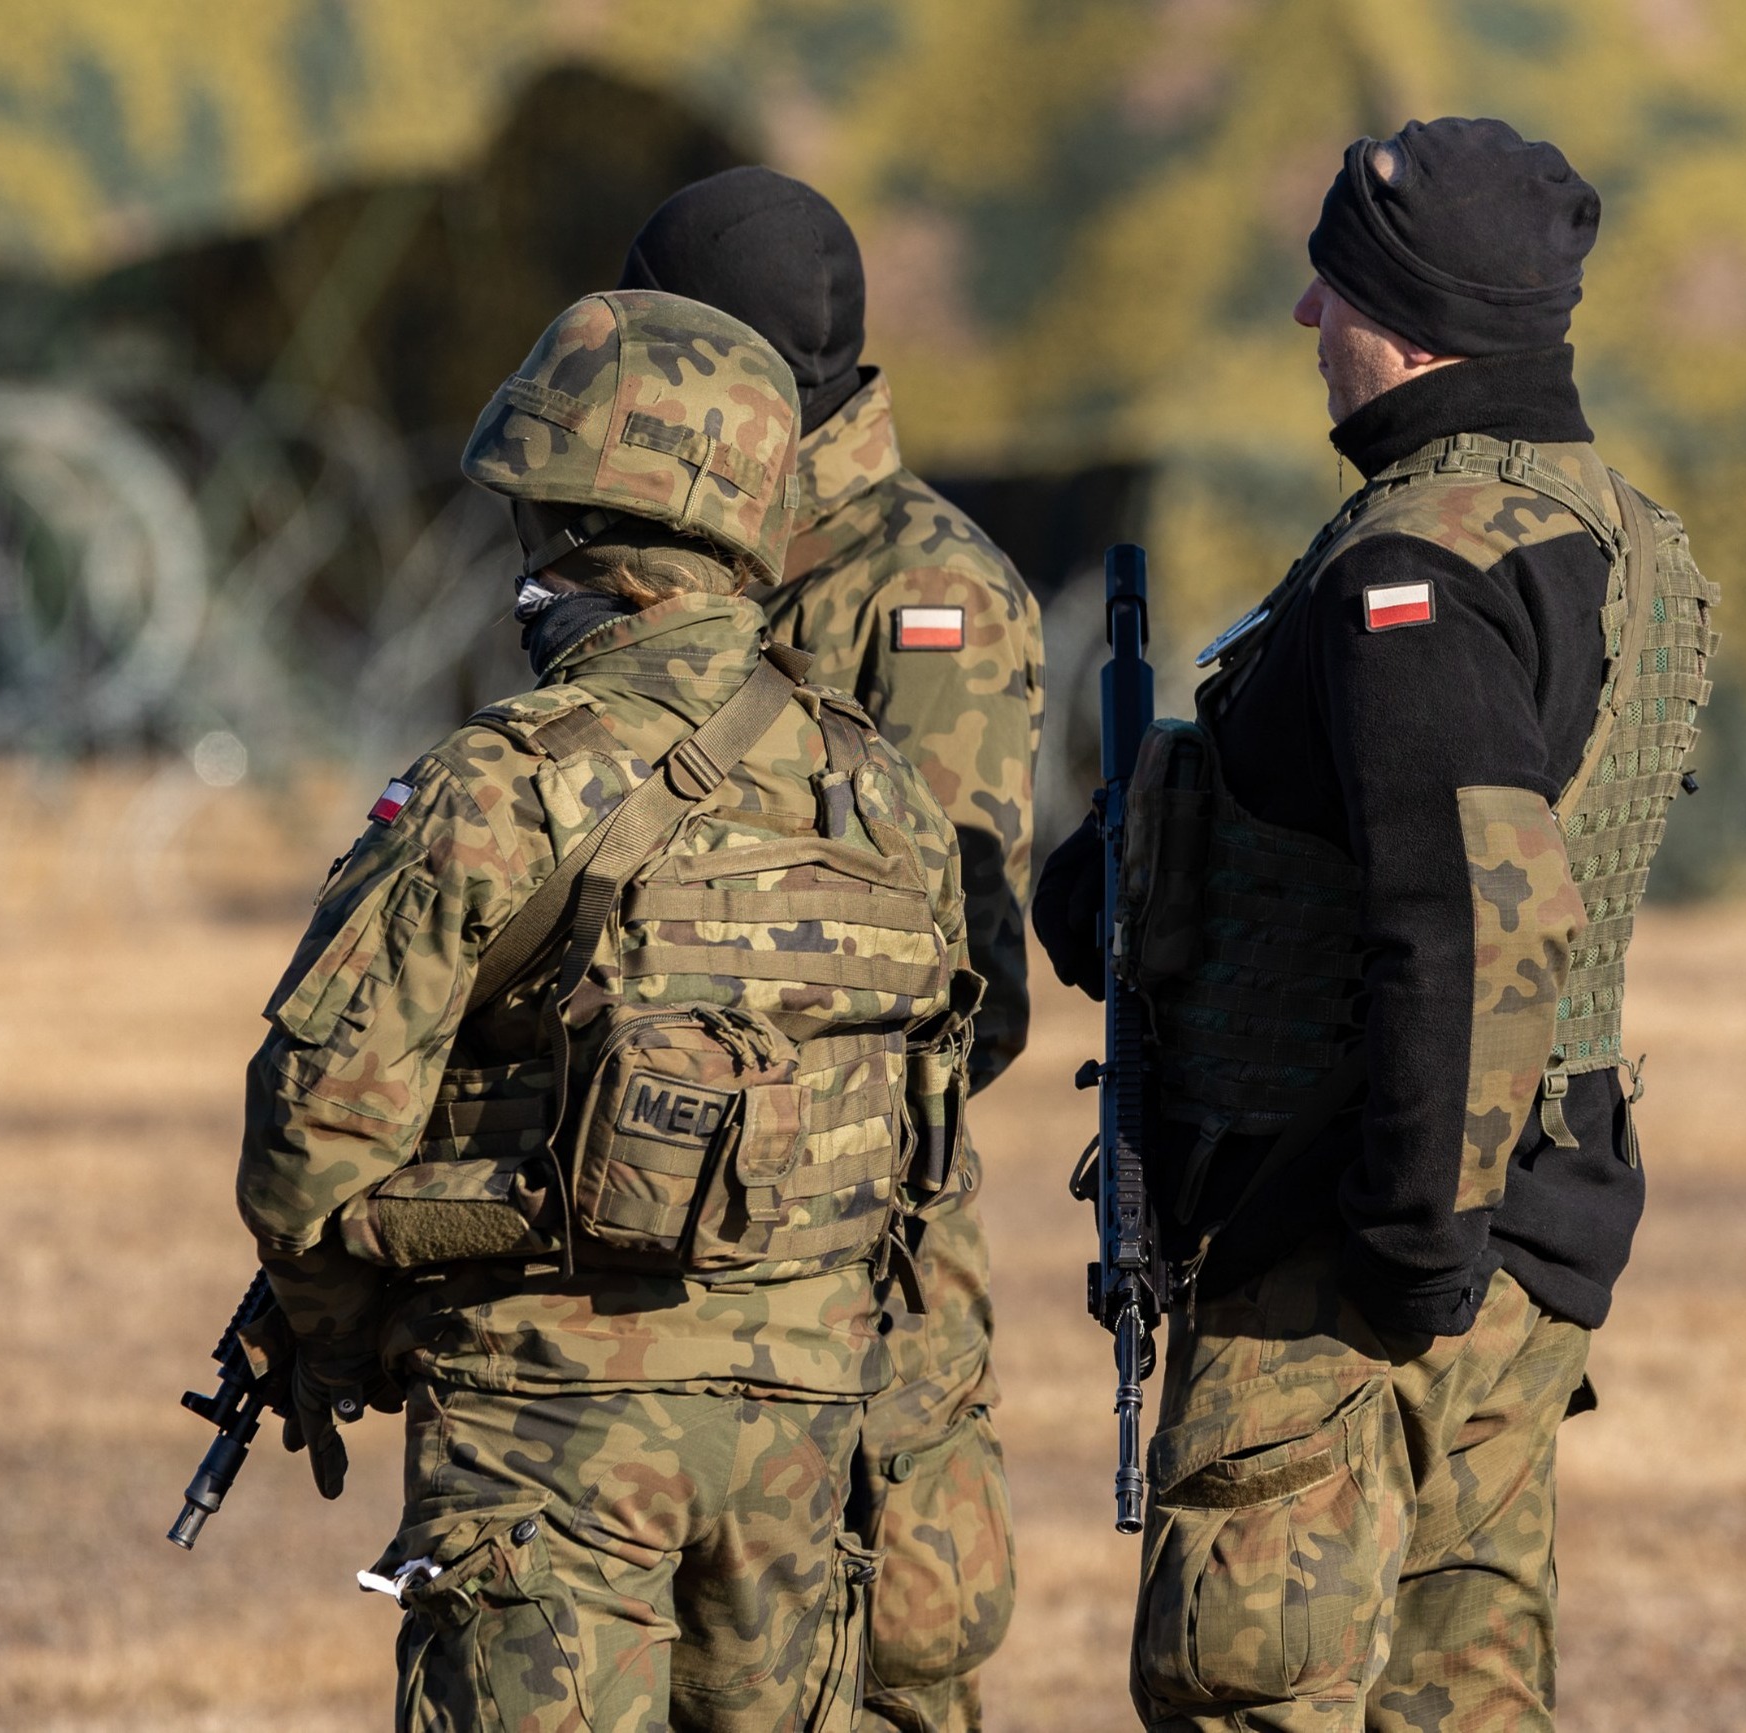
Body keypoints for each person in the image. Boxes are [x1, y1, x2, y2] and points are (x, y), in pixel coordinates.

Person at [1034, 118, 1717, 1729]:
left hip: (1355, 1260)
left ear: (1399, 315)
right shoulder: (1620, 535)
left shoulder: (1413, 568)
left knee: (1251, 1692)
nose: (1301, 323)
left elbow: (1472, 915)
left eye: (1323, 286)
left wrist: (1408, 1247)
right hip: (1514, 1232)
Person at [235, 287, 979, 1732]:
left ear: (571, 527)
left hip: (545, 1439)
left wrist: (352, 1336)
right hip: (806, 1441)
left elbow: (309, 1140)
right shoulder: (882, 790)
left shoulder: (498, 783)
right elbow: (924, 1115)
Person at [619, 166, 1041, 1733]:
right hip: (669, 1245)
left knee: (878, 1669)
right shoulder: (668, 550)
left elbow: (962, 985)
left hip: (857, 1257)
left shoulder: (919, 590)